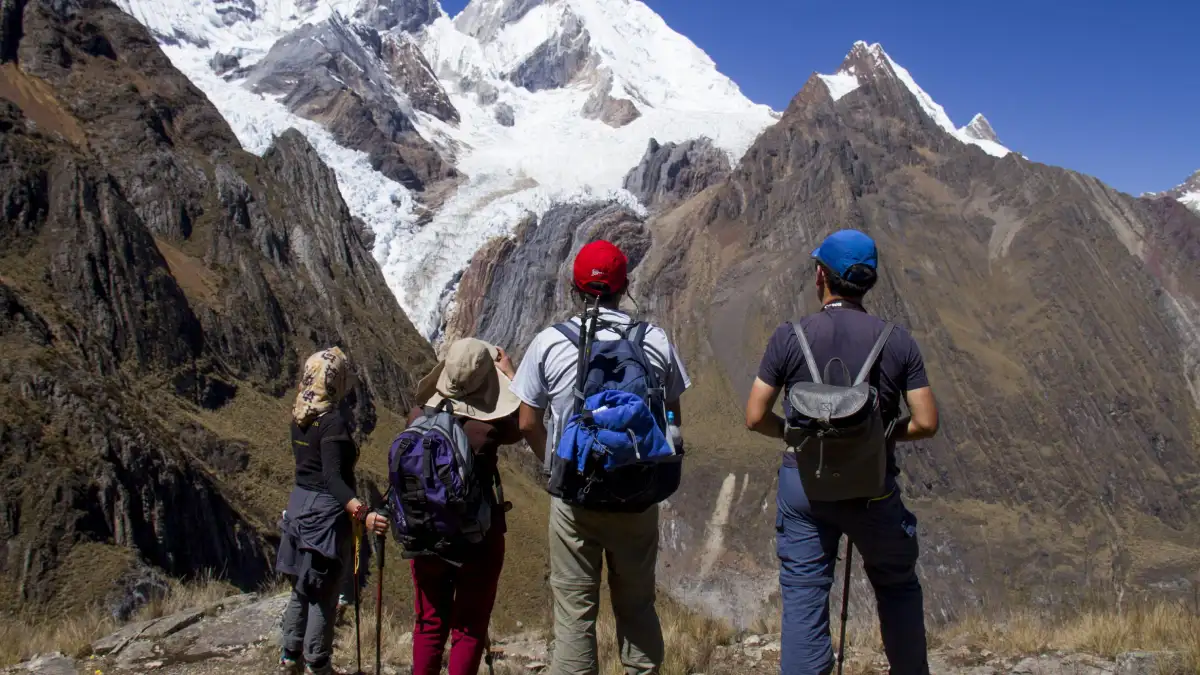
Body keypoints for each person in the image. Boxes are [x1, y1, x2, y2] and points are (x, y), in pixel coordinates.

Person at [744, 229, 940, 675]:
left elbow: (755, 416)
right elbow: (926, 422)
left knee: (804, 591)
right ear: (869, 281)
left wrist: (797, 436)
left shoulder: (789, 336)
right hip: (872, 485)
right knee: (896, 585)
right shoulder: (897, 340)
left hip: (804, 488)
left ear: (821, 276)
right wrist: (881, 436)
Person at [510, 240, 692, 675]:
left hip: (575, 496)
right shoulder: (654, 340)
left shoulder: (550, 343)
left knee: (574, 612)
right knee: (637, 604)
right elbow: (671, 417)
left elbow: (526, 422)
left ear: (574, 287)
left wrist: (553, 465)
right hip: (637, 495)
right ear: (624, 287)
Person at [407, 337, 523, 675]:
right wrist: (511, 375)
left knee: (429, 623)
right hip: (477, 540)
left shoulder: (415, 418)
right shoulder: (487, 431)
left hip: (425, 534)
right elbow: (525, 421)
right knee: (469, 627)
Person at [277, 346, 389, 675]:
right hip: (324, 517)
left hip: (298, 507)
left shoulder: (300, 415)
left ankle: (290, 654)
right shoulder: (332, 423)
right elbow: (333, 479)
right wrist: (362, 512)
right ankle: (318, 663)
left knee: (301, 586)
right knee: (323, 595)